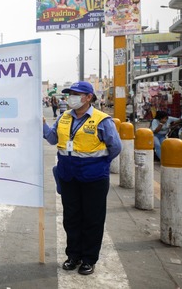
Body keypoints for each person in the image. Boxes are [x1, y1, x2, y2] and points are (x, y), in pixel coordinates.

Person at [43, 81, 121, 276]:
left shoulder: (102, 120)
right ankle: (73, 256)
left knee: (92, 219)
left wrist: (100, 163)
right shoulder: (63, 117)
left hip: (94, 178)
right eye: (70, 94)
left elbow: (115, 147)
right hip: (68, 176)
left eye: (76, 94)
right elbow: (53, 139)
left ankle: (88, 259)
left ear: (88, 97)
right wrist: (42, 126)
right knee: (71, 218)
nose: (71, 98)